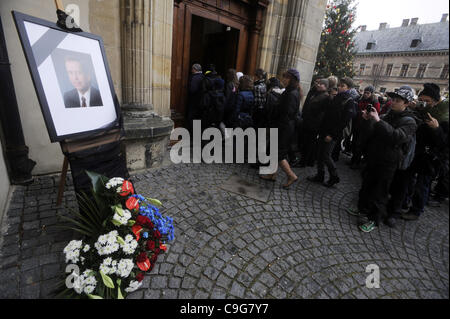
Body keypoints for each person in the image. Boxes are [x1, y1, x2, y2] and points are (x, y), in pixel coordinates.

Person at [355, 86, 417, 233]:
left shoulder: (410, 122)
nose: (393, 102)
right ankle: (362, 210)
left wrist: (378, 121)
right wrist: (367, 120)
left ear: (406, 103)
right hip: (374, 156)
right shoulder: (387, 115)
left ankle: (374, 219)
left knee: (380, 191)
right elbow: (369, 132)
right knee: (366, 185)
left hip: (389, 161)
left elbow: (396, 137)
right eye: (392, 99)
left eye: (397, 100)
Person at [402, 83, 449, 221]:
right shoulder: (429, 109)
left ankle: (416, 210)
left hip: (431, 157)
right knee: (408, 179)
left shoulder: (445, 117)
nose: (425, 104)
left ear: (435, 100)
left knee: (422, 185)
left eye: (427, 101)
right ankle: (404, 201)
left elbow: (444, 143)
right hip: (418, 152)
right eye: (422, 100)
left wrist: (436, 128)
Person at [308, 77, 357, 187]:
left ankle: (334, 176)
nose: (339, 87)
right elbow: (328, 115)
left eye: (342, 86)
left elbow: (343, 122)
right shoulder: (336, 97)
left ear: (348, 88)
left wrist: (332, 135)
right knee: (320, 154)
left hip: (332, 134)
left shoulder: (349, 101)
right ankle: (320, 175)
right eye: (339, 85)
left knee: (326, 155)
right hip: (324, 130)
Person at [260, 69, 300, 188]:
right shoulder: (289, 91)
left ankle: (291, 175)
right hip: (282, 126)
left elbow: (287, 114)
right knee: (274, 151)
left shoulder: (292, 93)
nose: (283, 79)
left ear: (292, 79)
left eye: (286, 77)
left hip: (283, 128)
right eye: (284, 77)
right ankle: (272, 175)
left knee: (278, 154)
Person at [299, 78, 329, 167]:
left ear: (326, 86)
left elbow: (322, 113)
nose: (318, 85)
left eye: (321, 84)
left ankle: (304, 162)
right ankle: (307, 161)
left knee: (309, 144)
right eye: (318, 83)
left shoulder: (325, 96)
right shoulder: (317, 93)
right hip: (309, 122)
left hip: (314, 124)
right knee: (307, 143)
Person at [349, 85, 381, 169]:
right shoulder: (360, 99)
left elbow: (376, 113)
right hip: (358, 123)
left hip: (367, 125)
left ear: (372, 93)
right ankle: (353, 159)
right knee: (355, 142)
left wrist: (368, 113)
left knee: (360, 144)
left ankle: (356, 162)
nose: (366, 94)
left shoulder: (375, 101)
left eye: (368, 93)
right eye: (365, 92)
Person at [186, 63, 204, 134]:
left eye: (192, 69)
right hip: (201, 101)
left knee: (191, 117)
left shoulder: (195, 77)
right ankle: (196, 133)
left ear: (195, 69)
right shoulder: (203, 76)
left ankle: (190, 133)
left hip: (194, 101)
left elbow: (192, 89)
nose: (191, 70)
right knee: (198, 118)